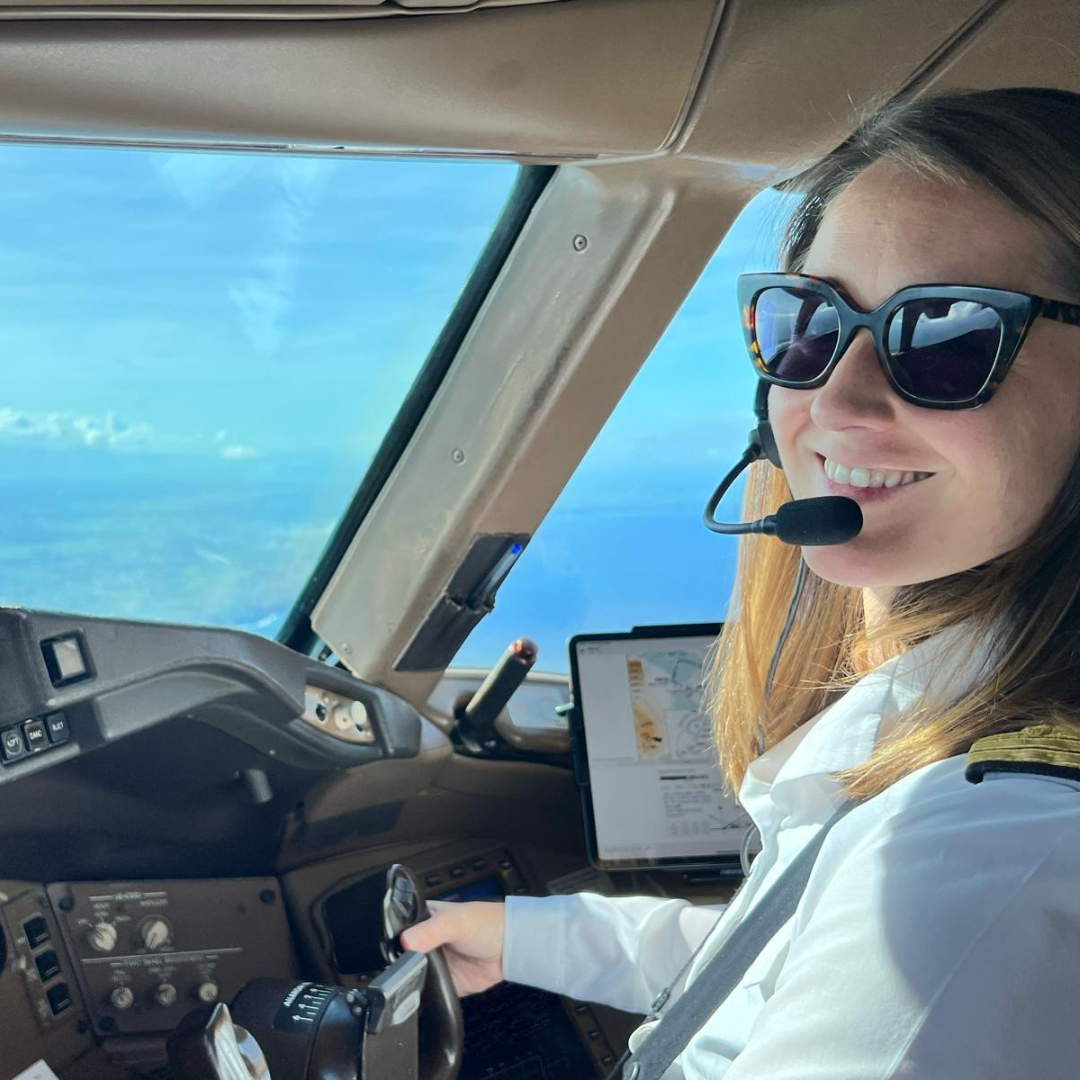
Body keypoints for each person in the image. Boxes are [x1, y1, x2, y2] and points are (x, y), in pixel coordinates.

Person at [402, 87, 1080, 1078]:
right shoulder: (951, 752)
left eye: (946, 335)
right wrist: (532, 936)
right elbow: (790, 953)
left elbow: (905, 954)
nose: (836, 399)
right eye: (810, 323)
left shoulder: (978, 856)